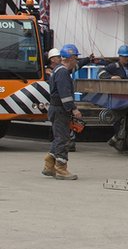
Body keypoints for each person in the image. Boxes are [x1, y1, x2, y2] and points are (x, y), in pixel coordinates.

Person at [42, 44, 83, 180]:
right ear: (70, 58)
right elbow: (64, 94)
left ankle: (49, 164)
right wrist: (73, 109)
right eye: (75, 59)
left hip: (57, 109)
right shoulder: (63, 72)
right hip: (60, 109)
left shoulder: (58, 70)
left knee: (59, 136)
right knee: (63, 139)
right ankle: (61, 168)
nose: (76, 62)